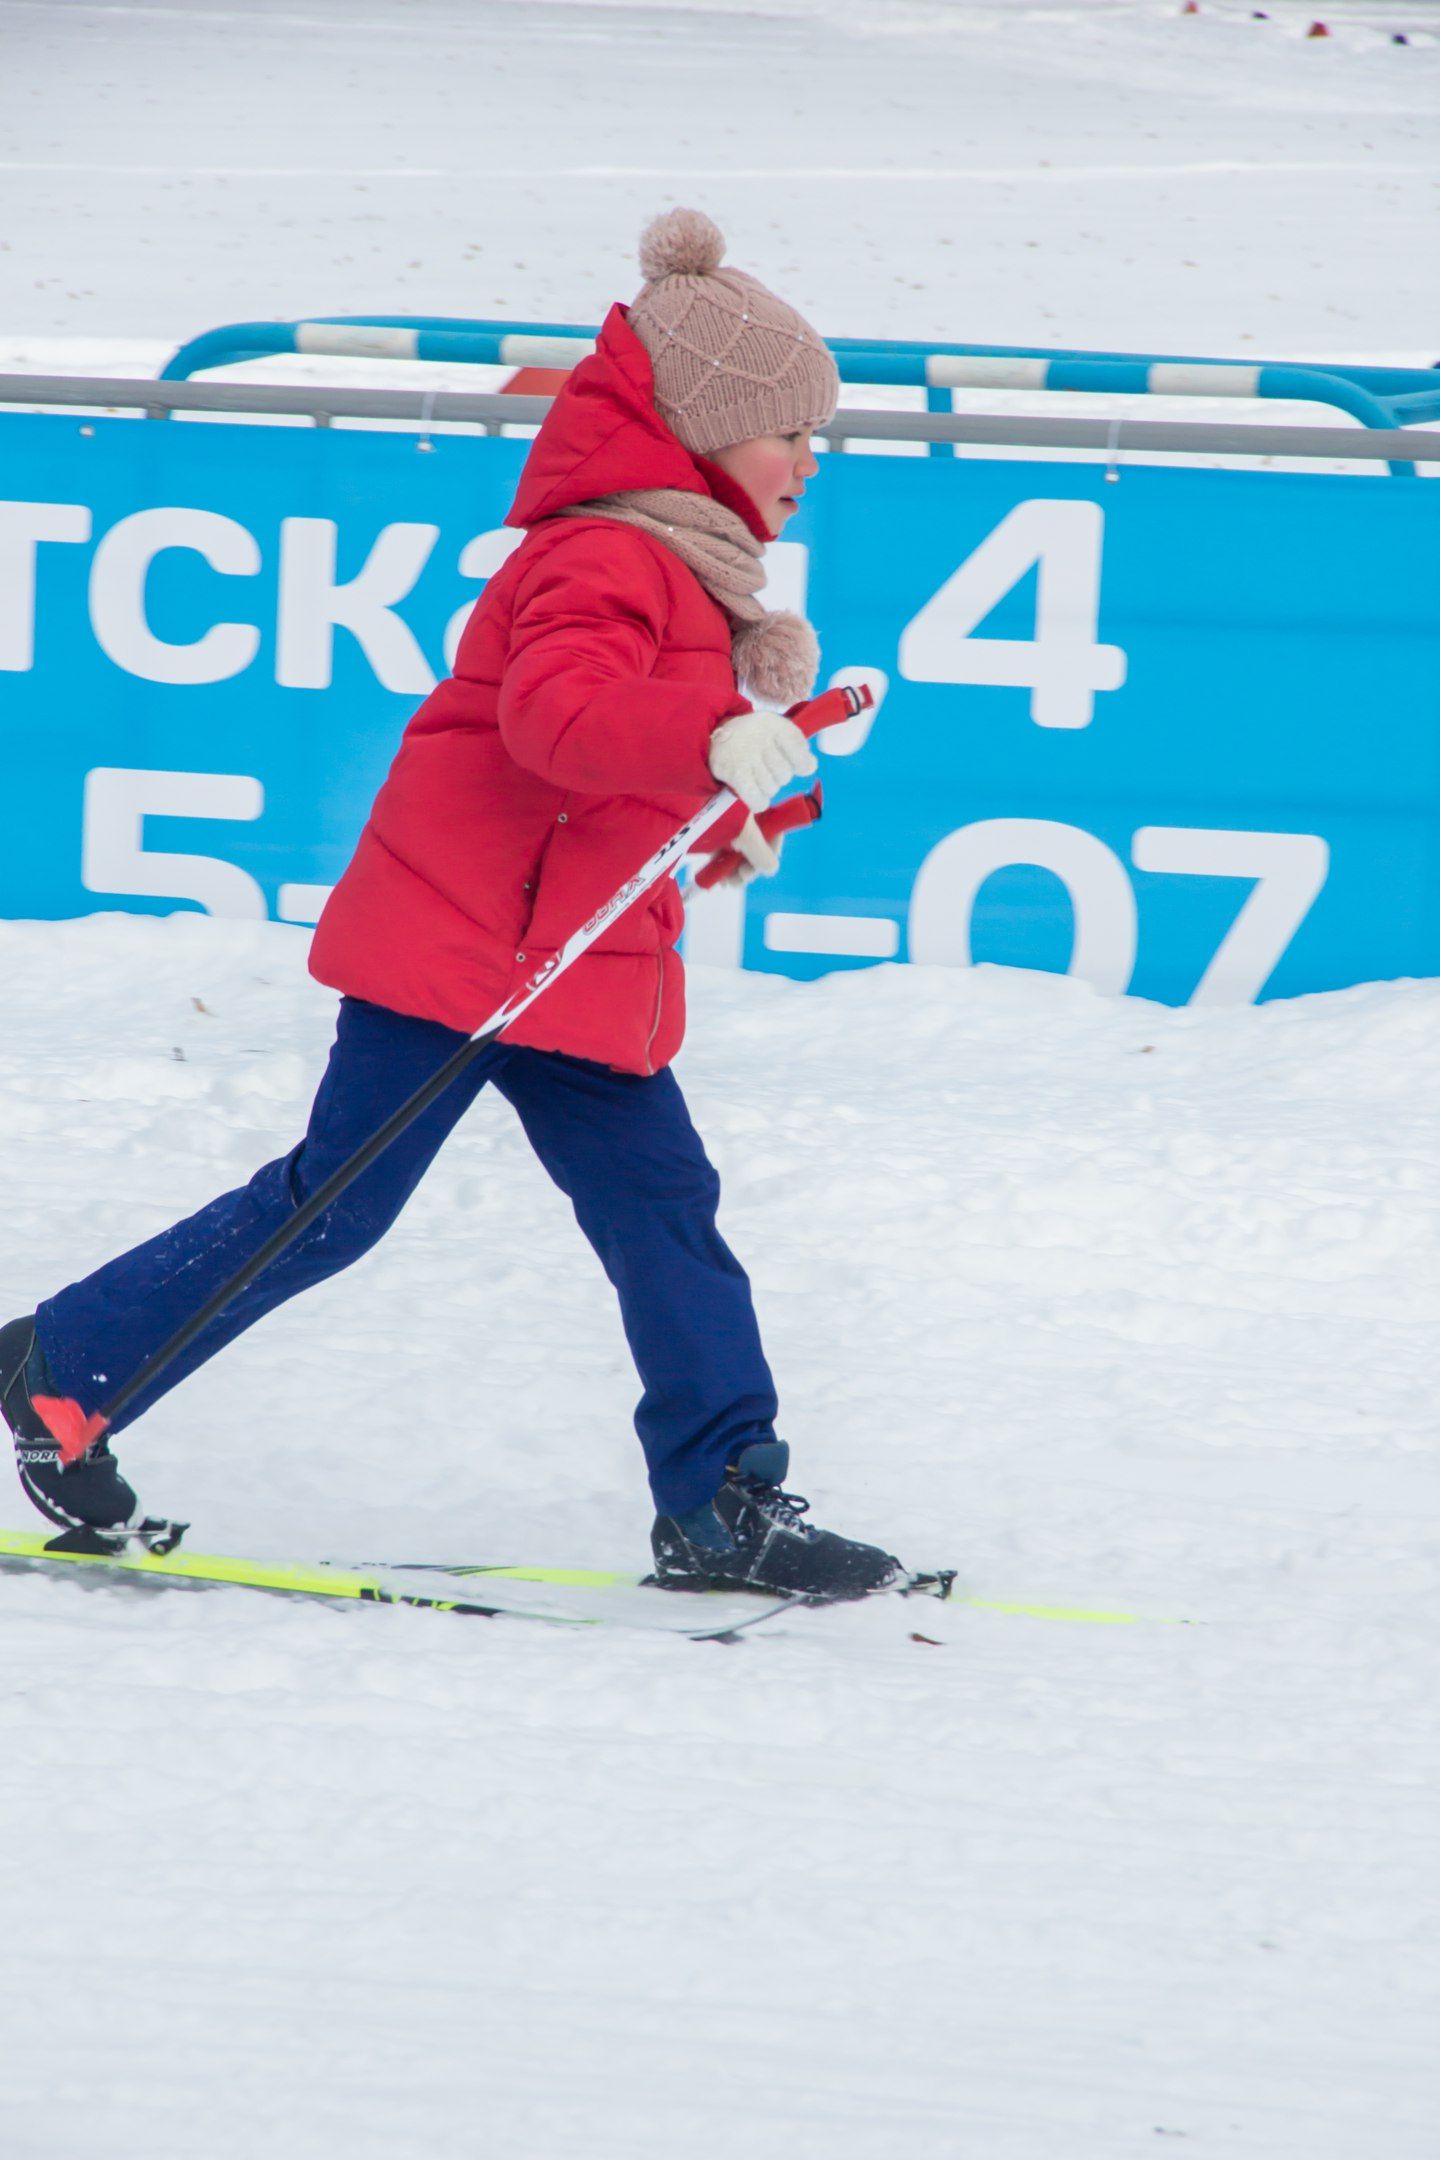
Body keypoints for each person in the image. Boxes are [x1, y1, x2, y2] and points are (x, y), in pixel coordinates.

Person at [1, 209, 900, 1600]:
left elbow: (642, 744)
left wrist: (742, 808)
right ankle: (61, 1371)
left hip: (575, 965)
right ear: (704, 426)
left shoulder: (687, 569)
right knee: (336, 1207)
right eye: (787, 430)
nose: (807, 459)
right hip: (462, 949)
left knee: (665, 1208)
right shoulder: (604, 553)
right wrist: (711, 739)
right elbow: (558, 720)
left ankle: (722, 1502)